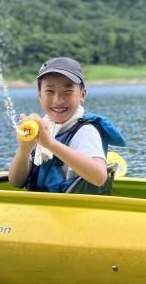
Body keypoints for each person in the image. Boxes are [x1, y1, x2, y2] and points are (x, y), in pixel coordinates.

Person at [8, 56, 126, 193]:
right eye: (49, 91)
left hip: (73, 206)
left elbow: (99, 177)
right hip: (44, 204)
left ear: (82, 95)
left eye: (68, 92)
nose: (58, 100)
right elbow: (16, 181)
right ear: (40, 96)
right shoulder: (41, 128)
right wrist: (24, 149)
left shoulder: (86, 131)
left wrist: (50, 144)